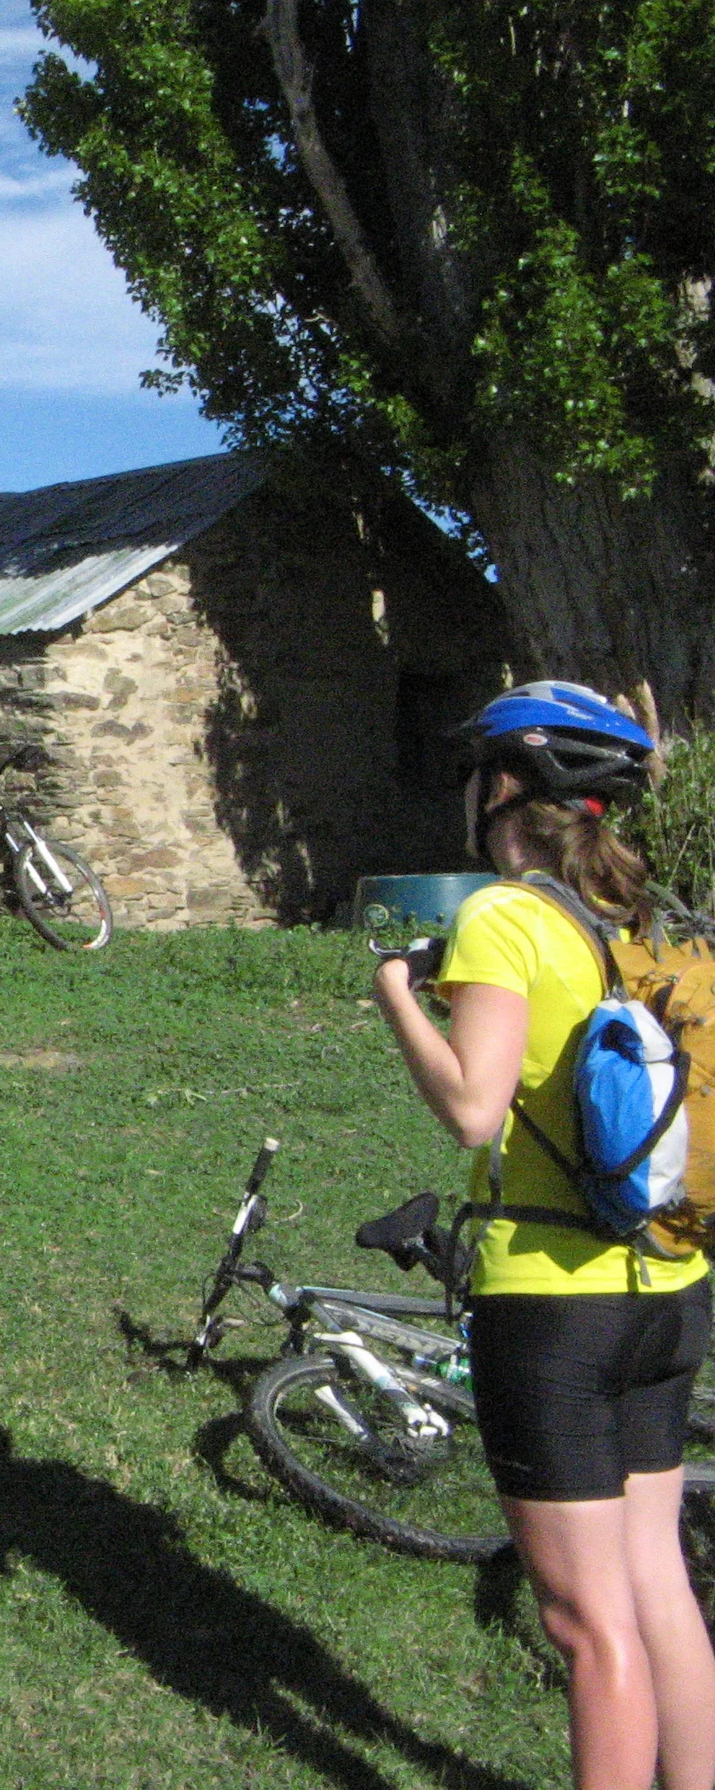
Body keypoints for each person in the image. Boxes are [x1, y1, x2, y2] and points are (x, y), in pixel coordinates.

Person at [374, 681, 712, 1790]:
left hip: (551, 1302)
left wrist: (396, 996)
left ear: (505, 788)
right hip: (670, 1284)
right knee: (655, 1578)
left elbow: (473, 1107)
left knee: (584, 1624)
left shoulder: (503, 916)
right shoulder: (650, 920)